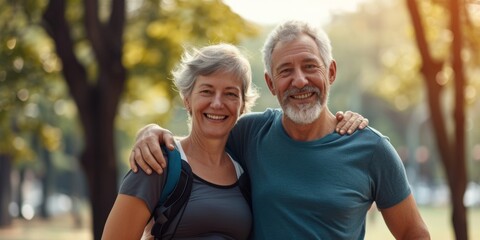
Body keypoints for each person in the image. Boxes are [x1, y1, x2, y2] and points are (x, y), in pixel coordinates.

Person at [128, 21, 415, 239]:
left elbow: (415, 234)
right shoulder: (250, 133)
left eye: (310, 66)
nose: (299, 81)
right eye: (286, 70)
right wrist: (152, 132)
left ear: (330, 72)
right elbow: (201, 141)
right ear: (271, 83)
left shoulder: (371, 148)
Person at [102, 43, 258, 239]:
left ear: (243, 105)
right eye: (206, 91)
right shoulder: (158, 160)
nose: (217, 103)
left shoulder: (245, 171)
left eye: (230, 94)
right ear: (187, 99)